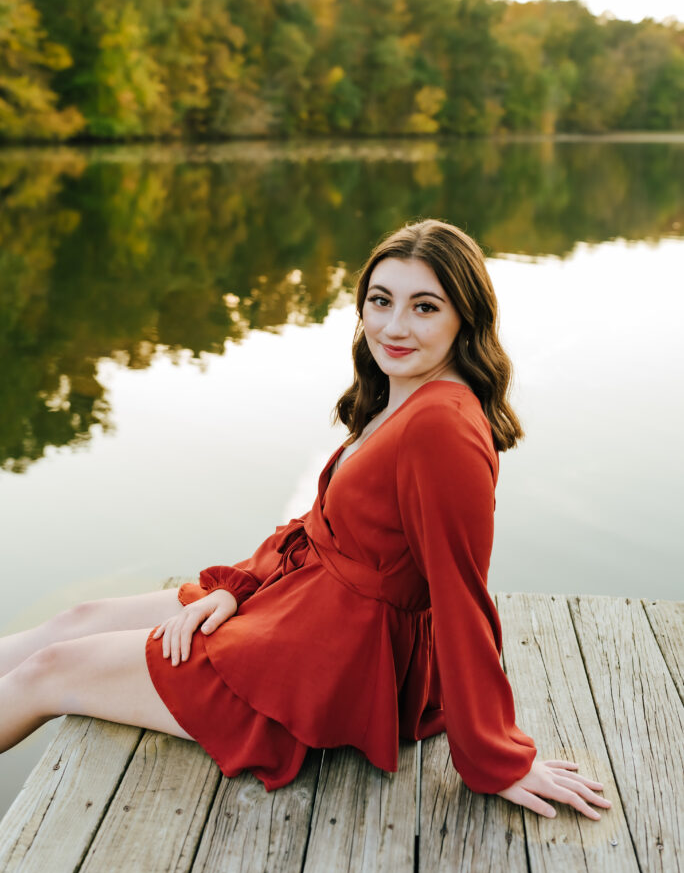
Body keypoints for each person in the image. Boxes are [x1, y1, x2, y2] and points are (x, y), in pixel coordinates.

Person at [0, 218, 611, 822]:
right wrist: (236, 588)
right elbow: (319, 531)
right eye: (380, 300)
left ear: (465, 318)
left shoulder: (442, 428)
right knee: (70, 622)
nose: (393, 327)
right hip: (289, 606)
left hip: (321, 665)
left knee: (51, 673)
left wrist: (495, 756)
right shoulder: (403, 391)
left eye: (425, 307)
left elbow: (460, 594)